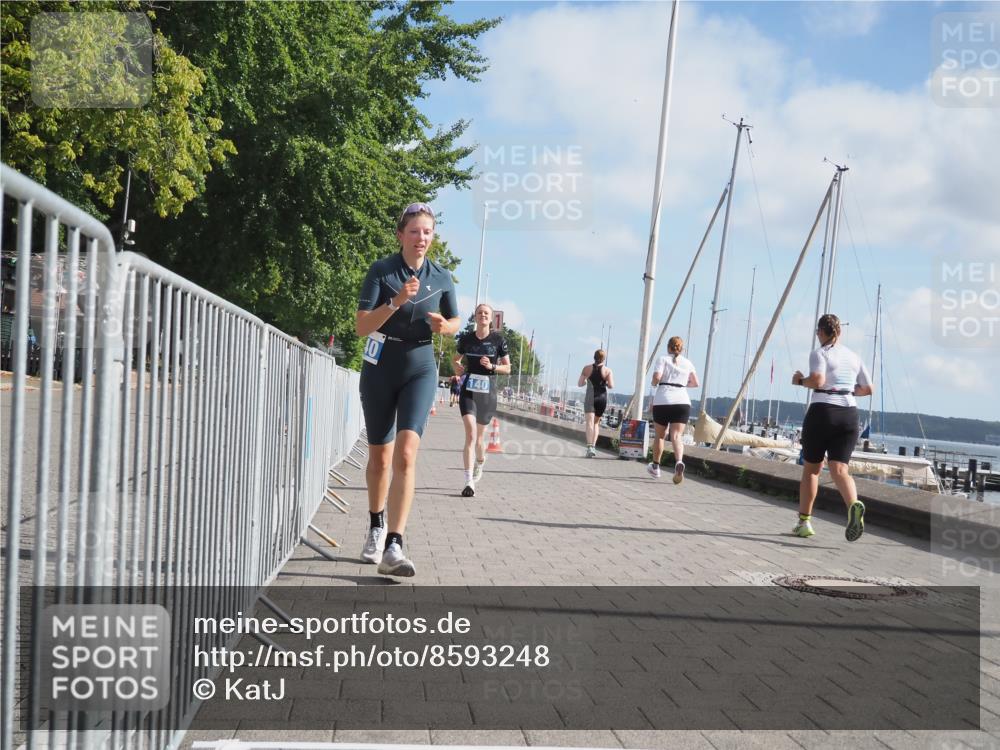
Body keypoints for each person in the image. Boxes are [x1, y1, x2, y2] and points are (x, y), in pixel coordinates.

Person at [355, 202, 461, 576]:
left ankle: (395, 544)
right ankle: (375, 524)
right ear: (401, 235)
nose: (421, 238)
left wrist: (443, 327)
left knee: (406, 455)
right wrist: (395, 301)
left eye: (427, 232)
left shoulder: (442, 276)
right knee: (381, 459)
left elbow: (454, 320)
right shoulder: (382, 271)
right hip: (381, 364)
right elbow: (362, 326)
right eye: (414, 231)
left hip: (420, 365)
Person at [791, 313, 873, 541]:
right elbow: (868, 388)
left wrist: (799, 380)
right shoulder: (854, 357)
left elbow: (817, 380)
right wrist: (845, 389)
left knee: (812, 470)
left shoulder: (819, 353)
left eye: (818, 332)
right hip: (849, 414)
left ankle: (804, 522)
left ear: (821, 332)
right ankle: (854, 505)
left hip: (823, 412)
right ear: (840, 331)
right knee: (839, 470)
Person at [453, 303, 511, 497]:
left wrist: (492, 366)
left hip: (488, 392)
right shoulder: (466, 339)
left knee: (479, 439)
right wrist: (457, 368)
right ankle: (469, 481)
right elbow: (455, 360)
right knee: (469, 435)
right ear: (475, 317)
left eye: (486, 313)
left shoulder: (498, 340)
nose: (483, 316)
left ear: (491, 318)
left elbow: (508, 368)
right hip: (468, 390)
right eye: (480, 313)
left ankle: (480, 462)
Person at [648, 336, 699, 483]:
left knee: (660, 436)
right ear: (681, 349)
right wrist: (682, 384)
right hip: (682, 401)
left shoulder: (662, 359)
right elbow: (695, 382)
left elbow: (656, 378)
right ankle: (679, 462)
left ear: (668, 347)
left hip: (663, 400)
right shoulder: (688, 363)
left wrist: (654, 382)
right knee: (676, 436)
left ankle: (656, 467)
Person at [578, 350, 614, 457]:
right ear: (604, 359)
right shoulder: (608, 371)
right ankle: (593, 446)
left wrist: (586, 381)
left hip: (590, 397)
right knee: (596, 423)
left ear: (594, 357)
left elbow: (580, 383)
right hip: (602, 398)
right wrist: (606, 383)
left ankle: (589, 447)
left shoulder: (586, 368)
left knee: (589, 423)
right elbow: (611, 386)